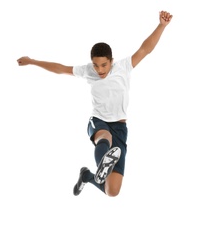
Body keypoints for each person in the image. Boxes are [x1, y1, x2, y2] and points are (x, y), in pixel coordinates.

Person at [17, 10, 173, 197]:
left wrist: (162, 25)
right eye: (96, 65)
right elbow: (59, 69)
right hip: (98, 122)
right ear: (92, 63)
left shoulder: (123, 67)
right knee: (104, 138)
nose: (99, 70)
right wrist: (32, 61)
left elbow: (145, 49)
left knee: (112, 192)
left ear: (111, 61)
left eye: (104, 65)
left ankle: (87, 176)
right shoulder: (87, 71)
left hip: (120, 128)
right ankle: (102, 164)